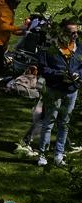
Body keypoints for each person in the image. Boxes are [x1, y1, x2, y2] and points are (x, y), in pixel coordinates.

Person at [37, 19, 81, 167]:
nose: (75, 35)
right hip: (54, 90)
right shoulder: (49, 47)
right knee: (49, 122)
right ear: (62, 33)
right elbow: (43, 69)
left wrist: (78, 75)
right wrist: (60, 75)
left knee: (64, 123)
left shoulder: (78, 47)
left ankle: (59, 155)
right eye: (72, 33)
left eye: (76, 32)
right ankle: (42, 155)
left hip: (71, 90)